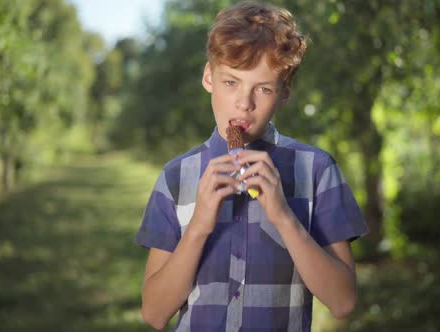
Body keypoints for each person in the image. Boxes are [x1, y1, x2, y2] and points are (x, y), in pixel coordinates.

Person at [135, 1, 368, 331]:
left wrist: (283, 216)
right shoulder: (176, 177)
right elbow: (154, 314)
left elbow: (343, 302)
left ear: (284, 91)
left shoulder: (317, 171)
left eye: (263, 88)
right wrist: (199, 223)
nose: (244, 103)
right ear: (208, 78)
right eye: (231, 82)